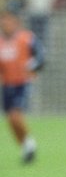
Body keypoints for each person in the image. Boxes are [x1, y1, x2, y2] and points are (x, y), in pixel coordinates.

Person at [0, 10, 45, 164]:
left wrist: (34, 65)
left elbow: (41, 55)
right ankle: (26, 145)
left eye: (9, 20)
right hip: (7, 84)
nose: (5, 23)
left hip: (23, 83)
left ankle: (29, 144)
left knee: (15, 115)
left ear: (16, 22)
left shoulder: (26, 38)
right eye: (3, 20)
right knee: (10, 120)